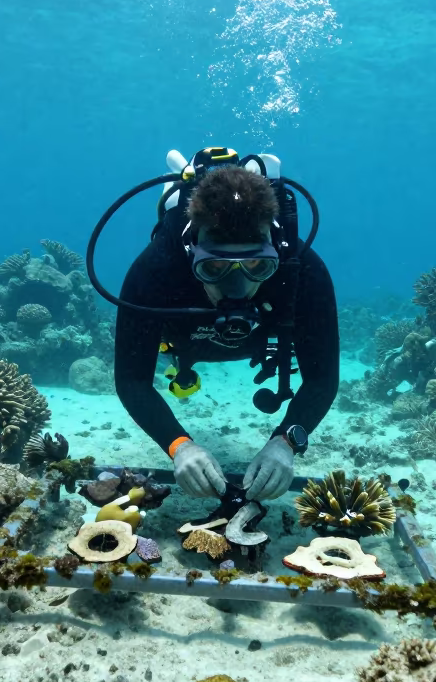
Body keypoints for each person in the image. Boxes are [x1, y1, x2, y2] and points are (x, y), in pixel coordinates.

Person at [113, 158, 339, 501]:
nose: (237, 288)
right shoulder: (156, 267)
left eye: (256, 266)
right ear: (191, 251)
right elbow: (132, 380)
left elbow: (322, 379)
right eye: (214, 267)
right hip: (183, 343)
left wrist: (286, 442)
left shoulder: (303, 270)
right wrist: (179, 445)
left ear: (274, 251)